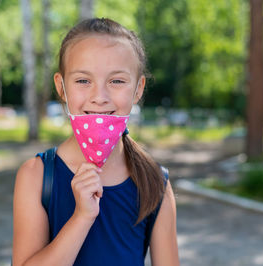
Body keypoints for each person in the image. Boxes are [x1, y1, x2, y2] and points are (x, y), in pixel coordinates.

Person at [12, 18, 179, 266]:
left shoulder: (156, 184)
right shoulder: (35, 176)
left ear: (138, 89)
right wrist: (81, 218)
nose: (99, 97)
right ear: (61, 86)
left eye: (117, 81)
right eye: (82, 81)